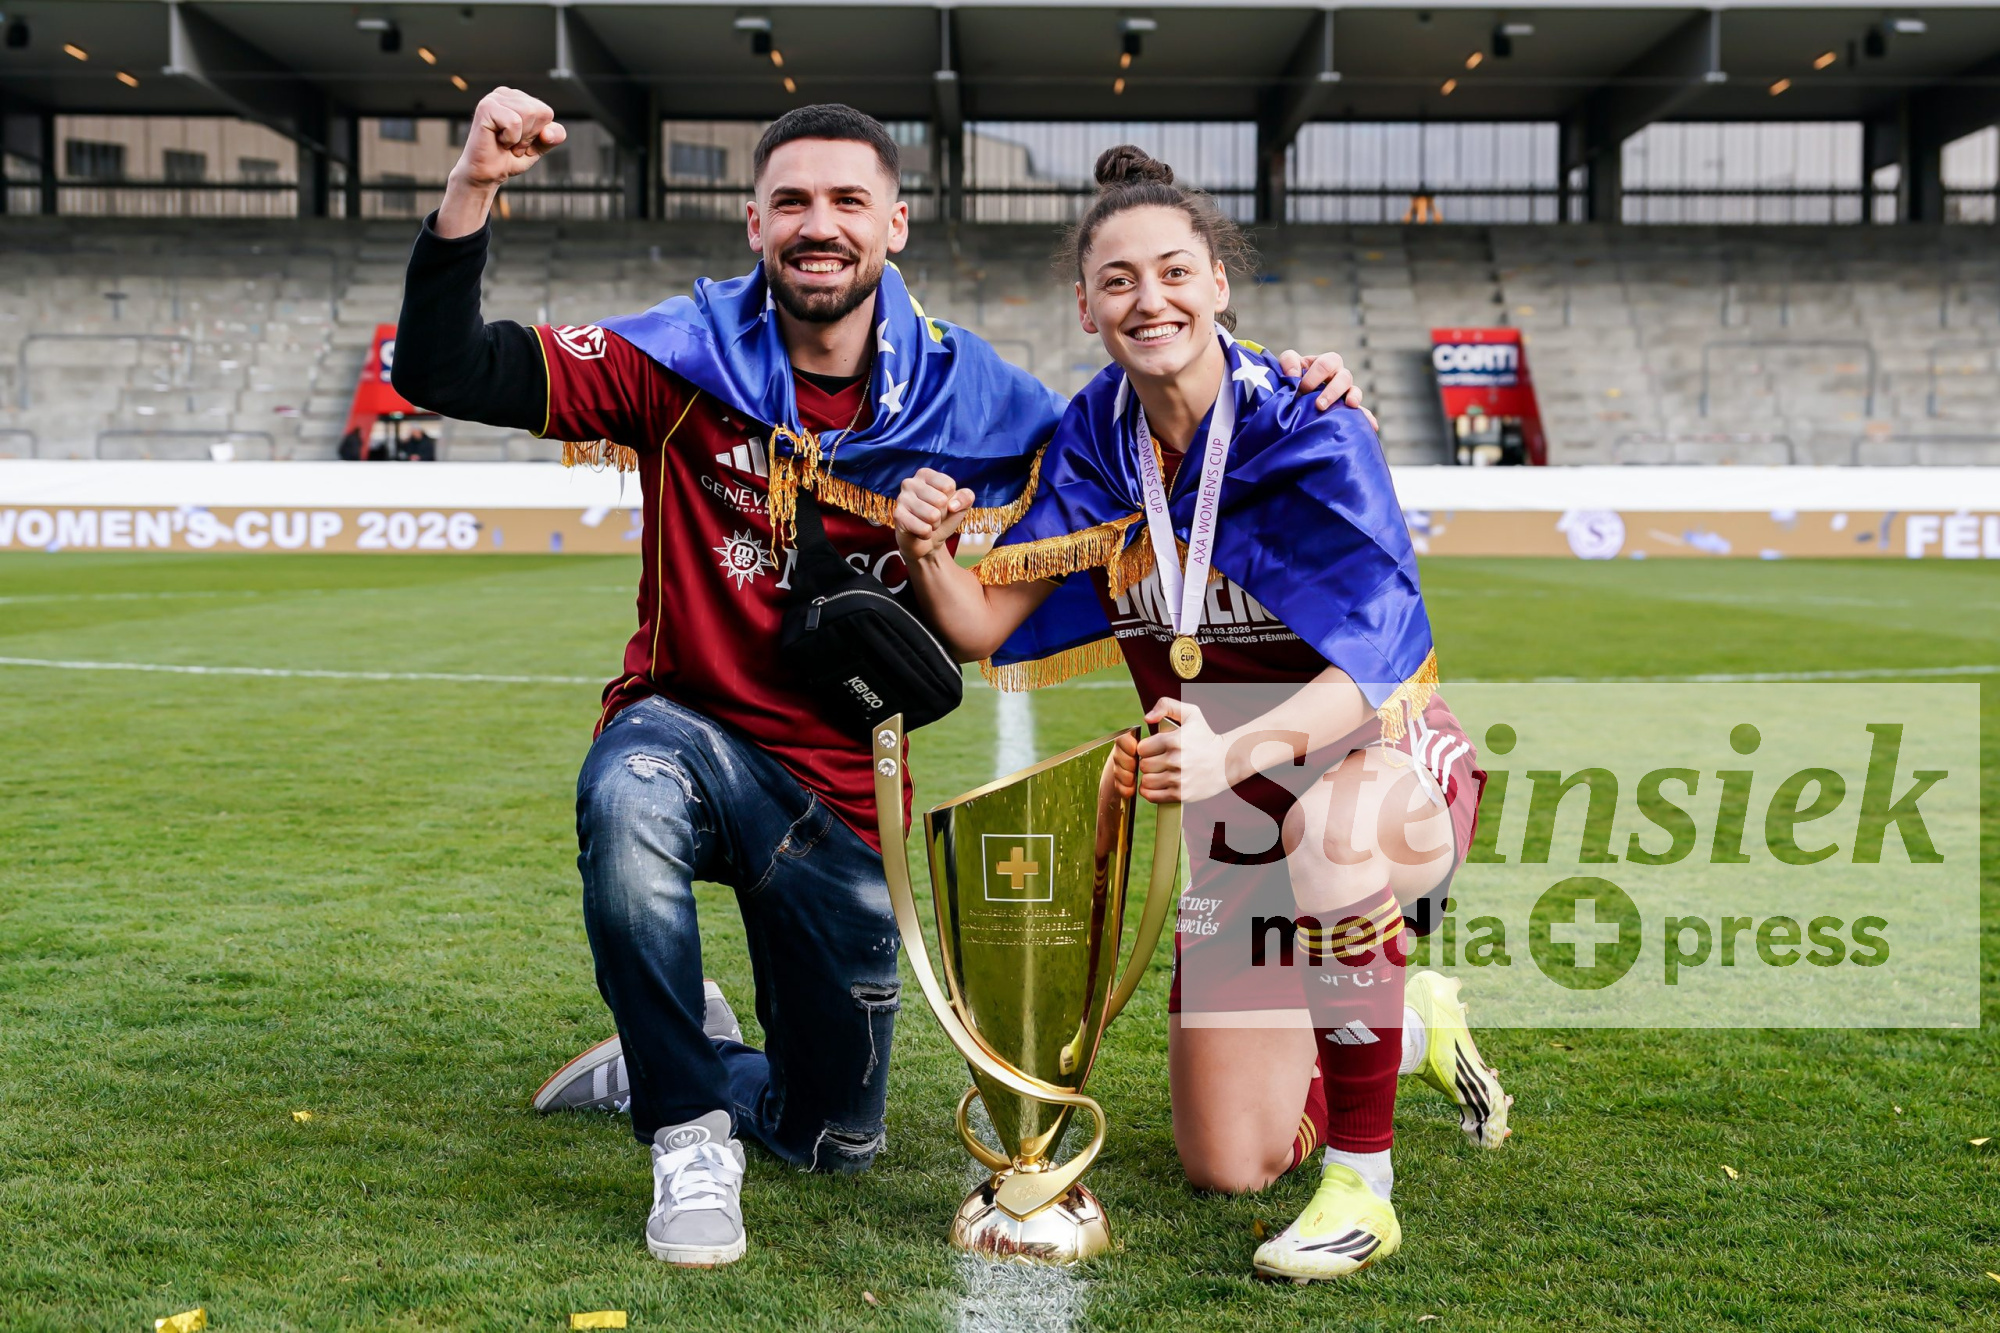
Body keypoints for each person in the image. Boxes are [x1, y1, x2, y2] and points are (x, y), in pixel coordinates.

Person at [391, 90, 1371, 1268]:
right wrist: (474, 183)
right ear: (754, 223)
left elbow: (1147, 425)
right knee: (629, 788)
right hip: (687, 734)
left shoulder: (982, 400)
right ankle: (685, 1126)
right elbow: (442, 366)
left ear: (893, 224)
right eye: (792, 202)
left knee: (831, 1141)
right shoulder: (679, 358)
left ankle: (676, 1047)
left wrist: (1291, 383)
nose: (820, 224)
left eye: (847, 200)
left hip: (848, 807)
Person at [889, 145, 1512, 1282]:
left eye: (1175, 271)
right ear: (1086, 307)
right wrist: (926, 550)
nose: (1150, 299)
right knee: (1228, 1161)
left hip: (1379, 770)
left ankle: (1362, 1187)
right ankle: (1406, 1017)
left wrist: (1230, 749)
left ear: (1218, 281)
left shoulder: (1311, 420)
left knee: (1330, 832)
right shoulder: (1092, 443)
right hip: (1233, 820)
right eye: (1118, 280)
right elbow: (978, 625)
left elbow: (1375, 664)